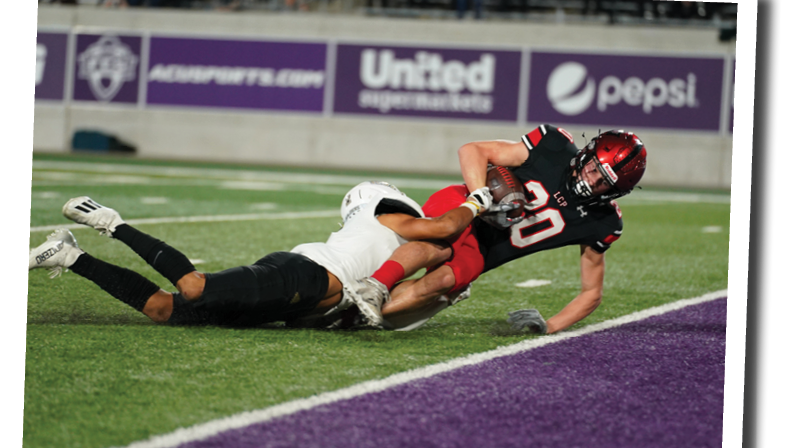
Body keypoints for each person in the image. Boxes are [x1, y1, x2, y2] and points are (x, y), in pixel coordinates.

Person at [27, 182, 496, 328]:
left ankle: (70, 257)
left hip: (307, 298)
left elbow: (404, 300)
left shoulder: (403, 246)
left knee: (164, 310)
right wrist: (478, 200)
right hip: (306, 274)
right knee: (194, 286)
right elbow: (445, 226)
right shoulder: (394, 222)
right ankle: (113, 222)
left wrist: (444, 293)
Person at [351, 125, 647, 334]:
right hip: (467, 206)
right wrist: (479, 197)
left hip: (486, 248)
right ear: (587, 153)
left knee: (441, 282)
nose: (591, 181)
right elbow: (473, 150)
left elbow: (592, 292)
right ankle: (372, 287)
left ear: (617, 192)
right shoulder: (552, 145)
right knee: (440, 243)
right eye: (594, 169)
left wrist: (551, 326)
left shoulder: (603, 222)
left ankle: (355, 315)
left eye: (604, 183)